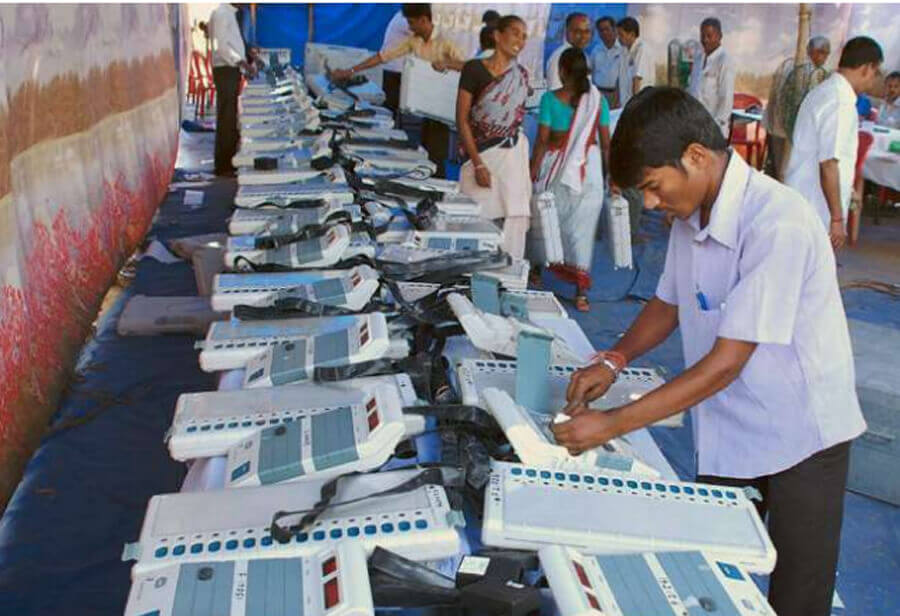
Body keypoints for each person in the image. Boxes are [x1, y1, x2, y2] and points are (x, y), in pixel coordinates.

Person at [554, 87, 866, 616]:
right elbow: (668, 301)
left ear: (696, 156)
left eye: (653, 187)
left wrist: (612, 425)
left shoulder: (778, 222)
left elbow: (726, 363)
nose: (650, 203)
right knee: (709, 573)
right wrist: (614, 358)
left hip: (803, 435)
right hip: (734, 422)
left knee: (797, 594)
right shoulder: (693, 213)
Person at [331, 4, 464, 178]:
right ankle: (425, 181)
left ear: (424, 20)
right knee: (424, 147)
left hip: (442, 105)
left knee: (437, 148)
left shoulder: (448, 40)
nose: (409, 27)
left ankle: (439, 188)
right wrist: (350, 71)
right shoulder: (414, 40)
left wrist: (448, 64)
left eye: (411, 22)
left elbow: (467, 65)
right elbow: (383, 56)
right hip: (425, 103)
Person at [529, 48, 610, 312]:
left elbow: (542, 141)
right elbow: (606, 145)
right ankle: (581, 293)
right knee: (582, 232)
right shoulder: (599, 102)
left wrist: (533, 169)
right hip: (590, 171)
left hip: (558, 168)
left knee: (546, 219)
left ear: (562, 71)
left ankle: (537, 271)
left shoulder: (550, 100)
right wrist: (613, 179)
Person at [785, 36, 884, 249]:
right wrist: (837, 218)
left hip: (804, 198)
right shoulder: (839, 101)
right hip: (815, 205)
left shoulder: (826, 90)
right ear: (867, 68)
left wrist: (848, 191)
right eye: (875, 73)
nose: (873, 81)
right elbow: (828, 163)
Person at [456, 15, 532, 259]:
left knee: (511, 218)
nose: (520, 39)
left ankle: (506, 274)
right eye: (514, 32)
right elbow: (462, 119)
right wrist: (478, 163)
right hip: (480, 155)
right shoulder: (474, 69)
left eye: (524, 35)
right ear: (498, 36)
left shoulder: (521, 75)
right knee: (475, 218)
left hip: (512, 157)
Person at [764, 36, 831, 180]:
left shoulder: (789, 65)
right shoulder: (809, 72)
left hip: (776, 126)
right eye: (824, 53)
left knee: (777, 169)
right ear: (815, 52)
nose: (825, 58)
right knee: (785, 173)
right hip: (789, 130)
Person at [209, 3, 255, 177]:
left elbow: (233, 43)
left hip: (231, 68)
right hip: (225, 68)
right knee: (226, 116)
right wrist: (241, 62)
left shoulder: (233, 14)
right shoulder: (222, 13)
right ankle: (224, 165)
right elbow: (221, 46)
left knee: (230, 115)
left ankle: (228, 161)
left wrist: (247, 56)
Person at [688, 17, 735, 137]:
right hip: (695, 126)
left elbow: (726, 98)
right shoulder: (698, 58)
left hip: (713, 130)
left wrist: (714, 129)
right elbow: (692, 90)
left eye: (709, 36)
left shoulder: (725, 60)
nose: (705, 40)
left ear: (720, 36)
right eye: (702, 36)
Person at [546, 13, 592, 91]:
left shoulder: (583, 55)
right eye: (578, 31)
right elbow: (556, 94)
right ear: (568, 32)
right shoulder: (560, 58)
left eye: (587, 31)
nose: (584, 36)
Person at [380, 9, 413, 113]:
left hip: (395, 68)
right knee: (391, 106)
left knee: (392, 105)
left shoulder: (403, 16)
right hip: (394, 70)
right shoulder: (404, 18)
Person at [616, 16, 654, 107]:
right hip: (625, 102)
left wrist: (634, 105)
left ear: (632, 34)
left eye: (621, 35)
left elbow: (637, 80)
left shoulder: (642, 49)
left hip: (638, 104)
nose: (618, 38)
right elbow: (620, 78)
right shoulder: (623, 50)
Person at [590, 16, 624, 108]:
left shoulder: (623, 50)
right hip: (598, 94)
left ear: (615, 30)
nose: (604, 32)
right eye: (601, 30)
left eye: (607, 29)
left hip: (617, 95)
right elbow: (591, 73)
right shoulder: (596, 50)